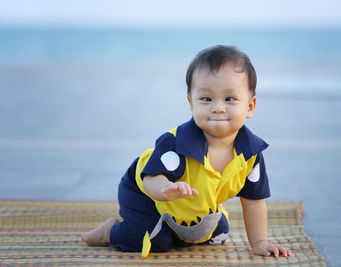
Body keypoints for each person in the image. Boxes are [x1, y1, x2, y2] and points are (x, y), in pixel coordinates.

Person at [81, 45, 291, 258]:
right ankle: (112, 231)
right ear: (192, 104)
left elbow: (254, 202)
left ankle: (176, 227)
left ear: (250, 107)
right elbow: (151, 179)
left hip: (188, 204)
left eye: (230, 99)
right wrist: (165, 188)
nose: (218, 107)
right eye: (206, 99)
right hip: (144, 194)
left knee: (215, 234)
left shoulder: (250, 154)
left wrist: (259, 242)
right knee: (155, 241)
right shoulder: (177, 144)